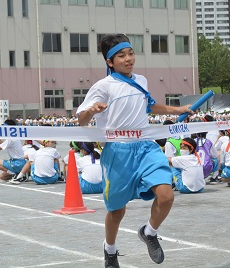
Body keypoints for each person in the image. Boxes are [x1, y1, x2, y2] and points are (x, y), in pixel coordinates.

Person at [76, 34, 192, 267]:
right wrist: (92, 110)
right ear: (110, 61)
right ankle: (110, 250)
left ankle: (149, 232)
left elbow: (150, 104)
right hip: (117, 153)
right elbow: (80, 119)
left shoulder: (141, 80)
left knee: (166, 195)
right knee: (117, 211)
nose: (129, 59)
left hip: (146, 147)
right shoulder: (103, 86)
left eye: (130, 53)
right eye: (121, 55)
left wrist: (178, 108)